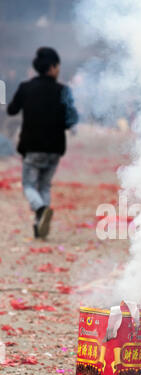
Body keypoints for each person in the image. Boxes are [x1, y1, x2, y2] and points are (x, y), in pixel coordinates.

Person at [7, 47, 79, 239]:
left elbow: (12, 110)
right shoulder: (63, 91)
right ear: (53, 67)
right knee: (45, 186)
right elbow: (71, 120)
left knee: (29, 185)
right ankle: (40, 226)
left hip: (32, 147)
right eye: (58, 66)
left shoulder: (25, 87)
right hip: (55, 148)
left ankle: (40, 210)